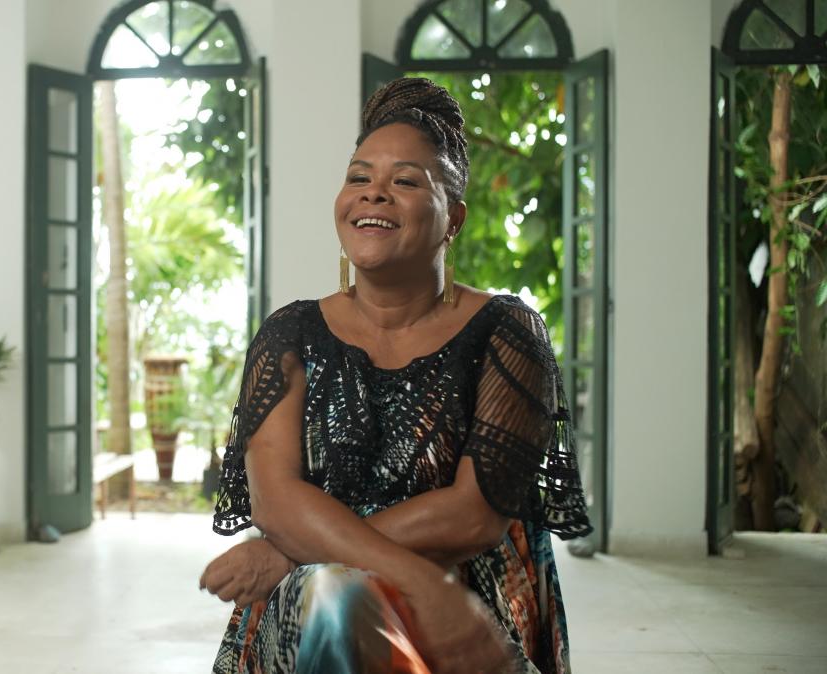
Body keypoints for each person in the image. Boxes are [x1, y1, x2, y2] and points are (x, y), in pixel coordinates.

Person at [199, 77, 591, 674]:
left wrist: (292, 552)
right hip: (327, 609)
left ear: (454, 218)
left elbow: (474, 514)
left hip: (465, 614)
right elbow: (276, 502)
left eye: (405, 181)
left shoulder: (507, 332)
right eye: (359, 178)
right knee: (335, 593)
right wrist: (417, 581)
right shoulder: (290, 334)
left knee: (333, 586)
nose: (374, 193)